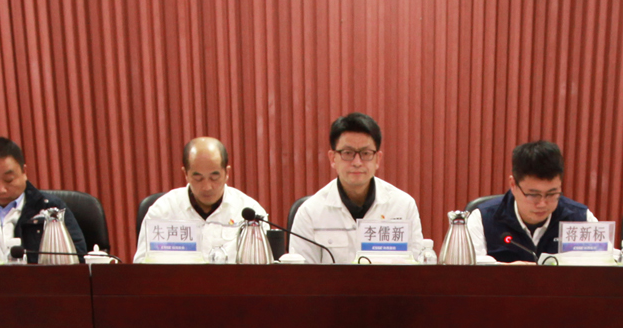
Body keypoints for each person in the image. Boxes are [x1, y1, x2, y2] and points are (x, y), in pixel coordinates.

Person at [286, 113, 430, 263]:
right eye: (347, 153)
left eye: (365, 153)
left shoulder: (403, 206)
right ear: (333, 158)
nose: (357, 162)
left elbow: (416, 268)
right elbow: (302, 273)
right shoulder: (309, 213)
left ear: (377, 159)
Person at [0, 136, 88, 264]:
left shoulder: (51, 208)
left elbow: (78, 258)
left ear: (24, 171)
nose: (1, 189)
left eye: (9, 180)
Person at [134, 136, 268, 263]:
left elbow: (263, 269)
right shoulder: (162, 211)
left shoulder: (250, 212)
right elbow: (142, 266)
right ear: (186, 174)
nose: (207, 187)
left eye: (214, 177)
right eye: (198, 178)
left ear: (227, 173)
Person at [472, 141, 597, 264]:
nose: (542, 204)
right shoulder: (482, 219)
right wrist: (506, 270)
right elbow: (469, 266)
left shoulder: (581, 219)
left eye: (552, 194)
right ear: (513, 185)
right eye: (533, 195)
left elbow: (601, 264)